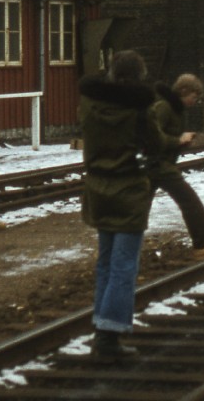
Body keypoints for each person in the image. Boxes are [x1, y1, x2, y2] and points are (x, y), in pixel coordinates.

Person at [79, 50, 161, 360]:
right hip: (129, 191)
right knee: (124, 266)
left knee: (105, 263)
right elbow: (153, 144)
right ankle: (108, 338)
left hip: (97, 190)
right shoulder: (142, 109)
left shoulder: (90, 103)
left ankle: (102, 327)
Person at [150, 74, 204, 257]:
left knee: (139, 209)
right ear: (183, 92)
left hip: (160, 166)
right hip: (156, 166)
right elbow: (151, 137)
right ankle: (203, 244)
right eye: (193, 96)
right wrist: (178, 140)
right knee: (189, 201)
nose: (195, 101)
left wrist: (182, 142)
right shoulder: (164, 107)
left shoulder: (176, 109)